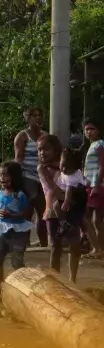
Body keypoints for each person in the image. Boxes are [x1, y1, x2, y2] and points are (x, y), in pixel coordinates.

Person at [0, 161, 33, 295]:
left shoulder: (20, 195)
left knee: (17, 262)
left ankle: (25, 285)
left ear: (14, 177)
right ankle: (0, 284)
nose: (3, 178)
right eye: (1, 175)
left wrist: (13, 215)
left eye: (6, 175)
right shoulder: (0, 194)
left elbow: (26, 213)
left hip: (18, 233)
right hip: (3, 232)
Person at [46, 148, 87, 282]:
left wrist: (67, 202)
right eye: (61, 164)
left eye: (66, 166)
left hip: (70, 206)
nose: (63, 168)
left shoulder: (71, 176)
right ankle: (57, 279)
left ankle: (72, 279)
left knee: (73, 245)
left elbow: (68, 193)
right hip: (62, 208)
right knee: (56, 246)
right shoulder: (67, 171)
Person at [14, 106, 48, 247]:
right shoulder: (22, 136)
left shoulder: (45, 136)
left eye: (39, 115)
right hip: (27, 174)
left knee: (43, 211)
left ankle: (44, 243)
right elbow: (18, 159)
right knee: (29, 207)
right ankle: (24, 242)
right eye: (34, 115)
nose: (37, 118)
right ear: (28, 118)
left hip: (43, 175)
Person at [84, 118, 104, 258]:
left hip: (97, 186)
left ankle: (98, 248)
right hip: (91, 185)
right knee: (95, 220)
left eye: (92, 129)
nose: (89, 132)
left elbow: (103, 166)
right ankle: (98, 249)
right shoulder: (92, 145)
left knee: (89, 218)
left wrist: (97, 185)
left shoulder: (100, 144)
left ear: (98, 130)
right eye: (86, 129)